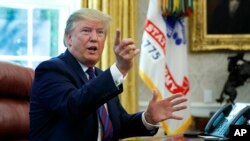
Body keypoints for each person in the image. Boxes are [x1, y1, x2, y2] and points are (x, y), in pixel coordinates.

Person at [29, 8, 188, 141]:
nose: (94, 38)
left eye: (100, 33)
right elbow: (74, 106)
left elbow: (118, 125)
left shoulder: (99, 76)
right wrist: (119, 69)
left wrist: (148, 118)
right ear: (68, 38)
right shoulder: (51, 70)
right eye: (86, 31)